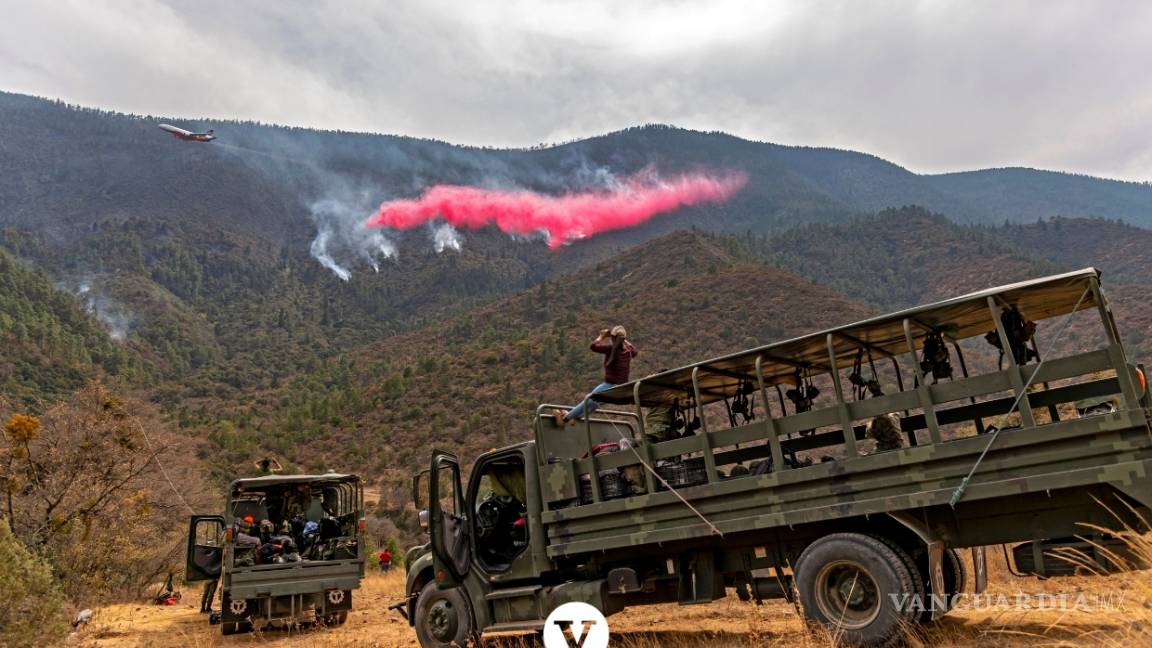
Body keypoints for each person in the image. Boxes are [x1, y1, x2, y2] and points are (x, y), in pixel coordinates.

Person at [559, 325, 638, 424]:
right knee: (595, 404)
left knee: (588, 400)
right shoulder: (628, 352)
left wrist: (602, 336)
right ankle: (576, 417)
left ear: (613, 338)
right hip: (620, 390)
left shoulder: (610, 349)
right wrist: (623, 339)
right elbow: (635, 351)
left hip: (609, 386)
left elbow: (593, 346)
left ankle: (565, 419)